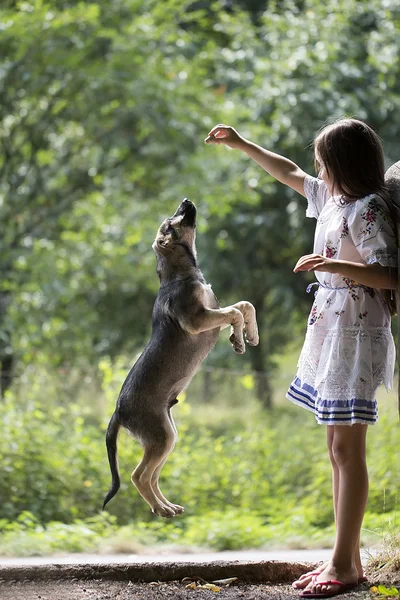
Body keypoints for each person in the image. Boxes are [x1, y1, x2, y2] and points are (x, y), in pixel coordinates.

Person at [205, 118, 397, 598]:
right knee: (337, 451)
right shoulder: (334, 201)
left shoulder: (367, 209)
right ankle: (345, 559)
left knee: (348, 452)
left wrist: (331, 265)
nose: (316, 170)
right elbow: (287, 171)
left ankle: (343, 563)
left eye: (323, 162)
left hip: (356, 332)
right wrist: (243, 143)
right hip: (333, 328)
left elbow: (392, 276)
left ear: (341, 163)